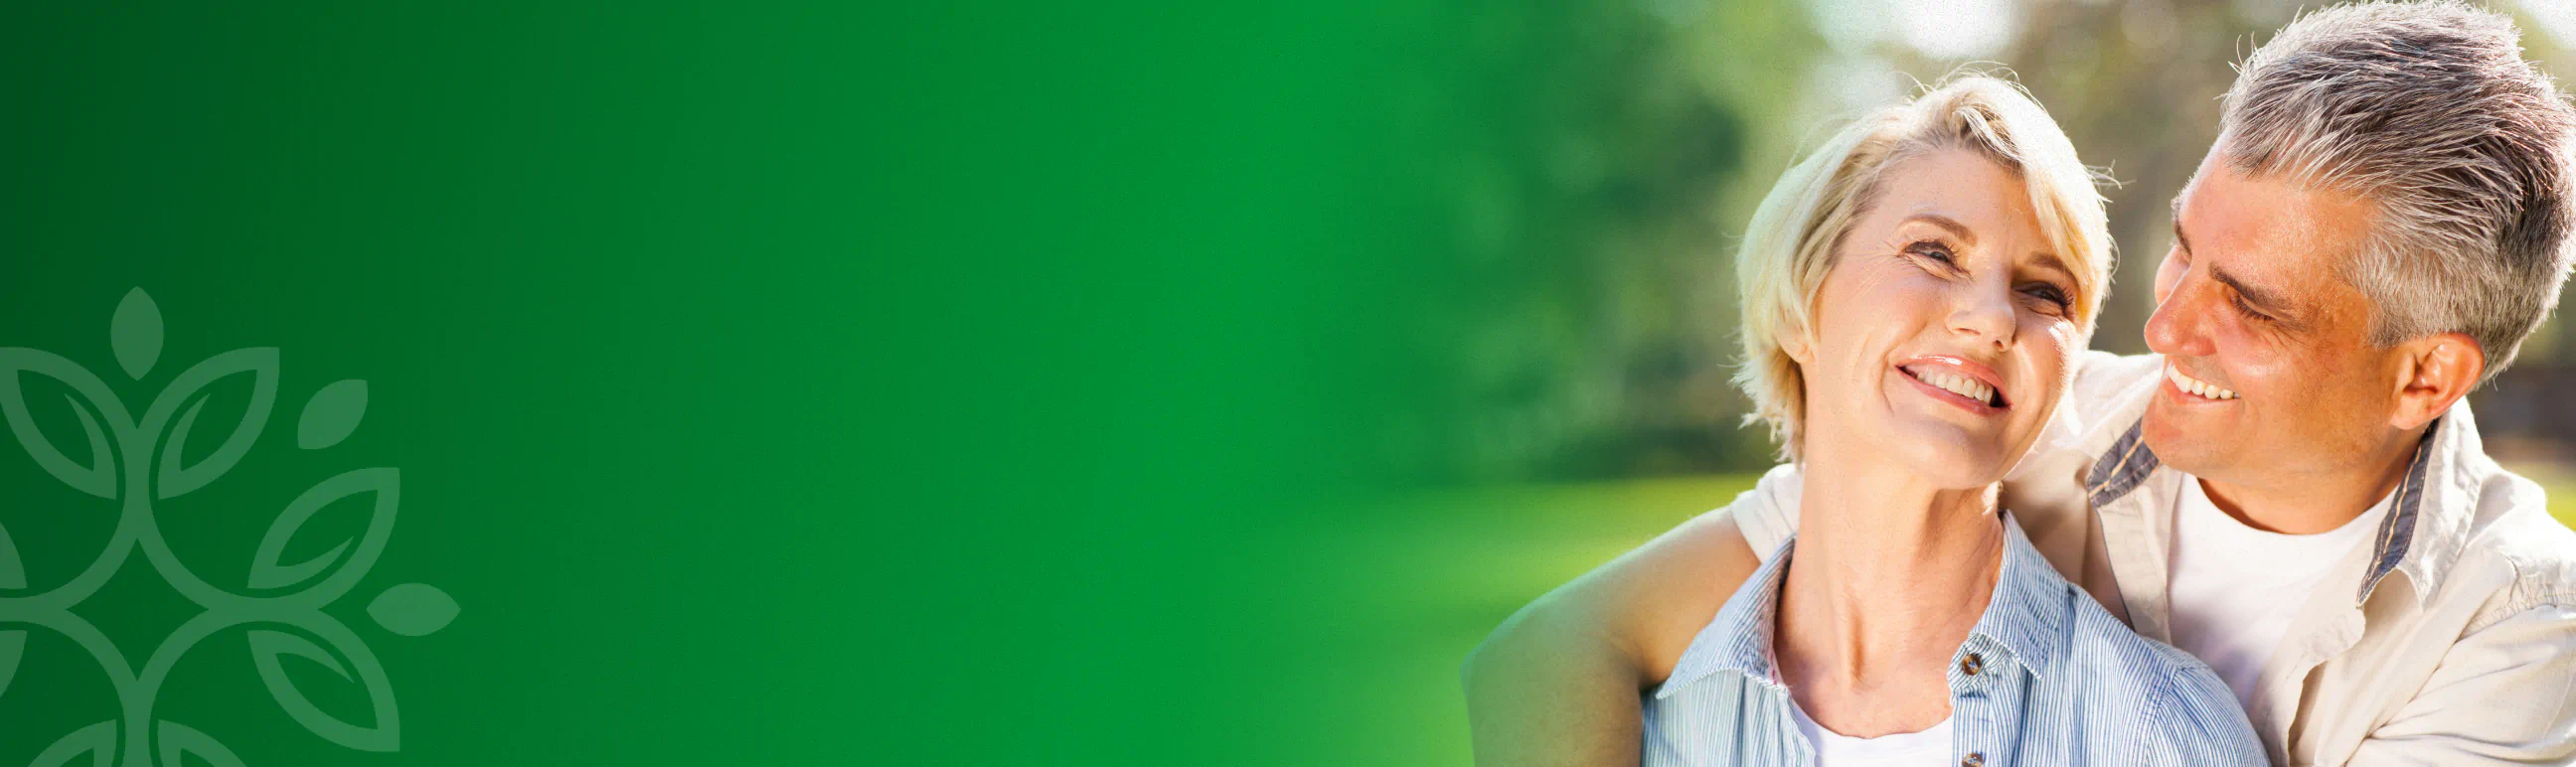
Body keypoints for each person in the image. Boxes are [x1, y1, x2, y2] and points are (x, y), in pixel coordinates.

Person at [1462, 3, 2576, 765]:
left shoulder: (2520, 627)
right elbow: (1563, 644)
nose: (2164, 325)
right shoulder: (2019, 416)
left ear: (2426, 372)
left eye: (2253, 304)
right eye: (2184, 247)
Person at [1618, 73, 2263, 766]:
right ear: (1803, 304)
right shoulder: (1642, 730)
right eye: (1934, 252)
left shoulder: (2163, 734)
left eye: (2045, 292)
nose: (1993, 318)